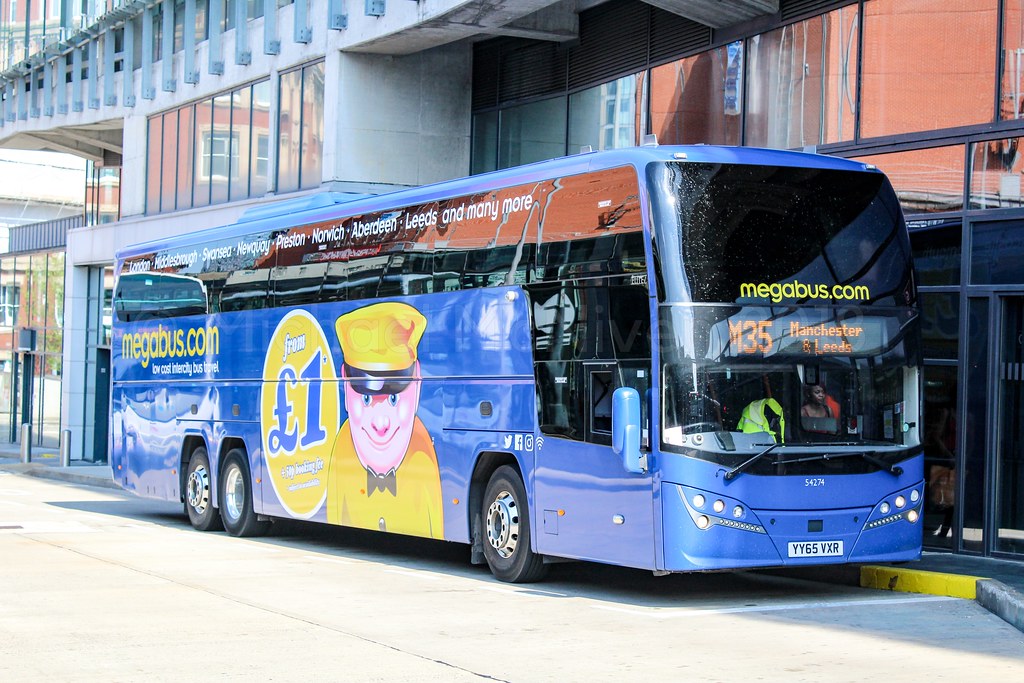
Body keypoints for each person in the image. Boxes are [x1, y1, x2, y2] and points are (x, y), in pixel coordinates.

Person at [326, 301, 444, 539]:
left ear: (417, 384)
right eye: (366, 398)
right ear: (345, 388)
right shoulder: (341, 450)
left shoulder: (424, 458)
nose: (381, 424)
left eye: (393, 397)